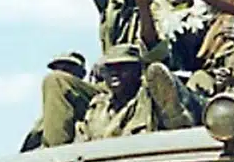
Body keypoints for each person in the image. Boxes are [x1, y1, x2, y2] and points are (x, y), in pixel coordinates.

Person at [24, 44, 193, 150]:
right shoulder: (96, 109)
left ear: (138, 71)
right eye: (108, 69)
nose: (114, 74)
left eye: (122, 67)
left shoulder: (149, 99)